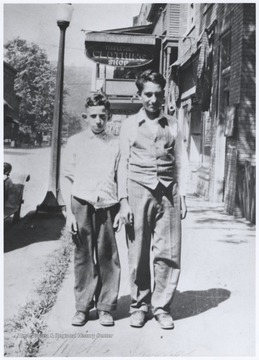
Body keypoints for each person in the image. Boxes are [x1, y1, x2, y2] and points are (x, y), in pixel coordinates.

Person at [117, 69, 188, 330]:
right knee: (137, 252)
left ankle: (161, 307)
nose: (153, 100)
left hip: (168, 193)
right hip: (137, 191)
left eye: (158, 94)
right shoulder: (128, 125)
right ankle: (139, 305)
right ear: (139, 95)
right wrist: (123, 201)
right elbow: (122, 164)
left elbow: (181, 160)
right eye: (148, 94)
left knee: (168, 251)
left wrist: (183, 193)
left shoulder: (173, 124)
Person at [62, 93, 121, 327]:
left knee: (108, 255)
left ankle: (106, 306)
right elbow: (67, 177)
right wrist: (69, 214)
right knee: (83, 255)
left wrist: (121, 206)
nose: (98, 121)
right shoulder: (75, 142)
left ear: (109, 117)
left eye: (103, 117)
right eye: (94, 116)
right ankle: (83, 307)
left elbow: (120, 175)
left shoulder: (115, 143)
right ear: (86, 116)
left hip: (107, 204)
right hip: (82, 202)